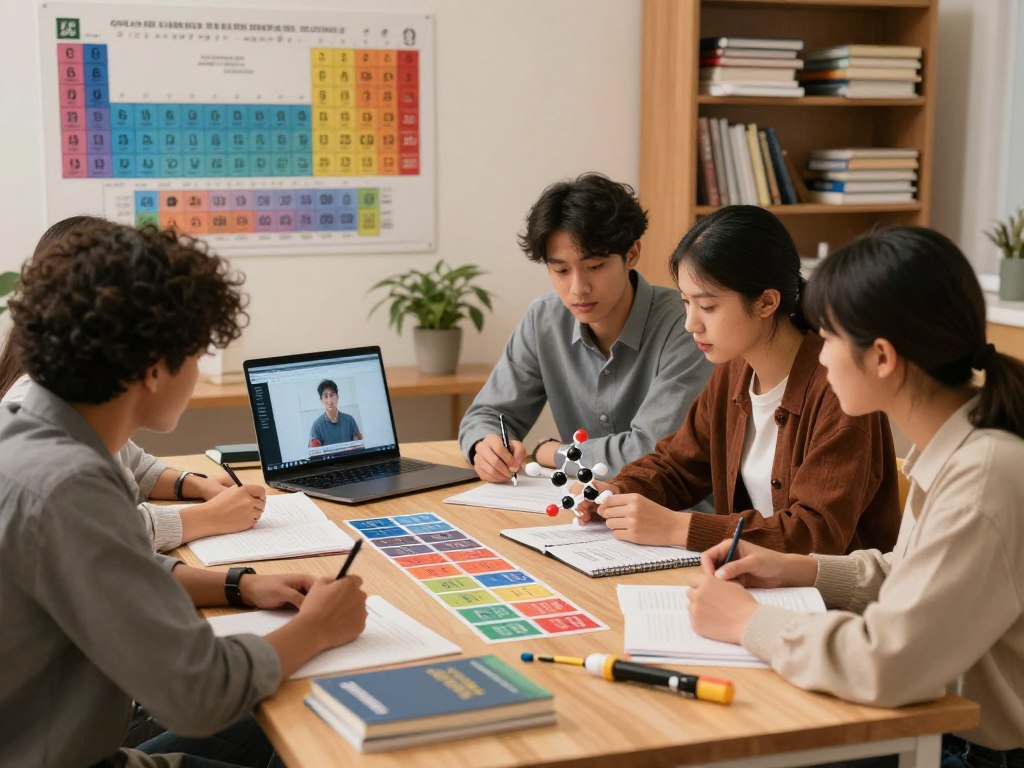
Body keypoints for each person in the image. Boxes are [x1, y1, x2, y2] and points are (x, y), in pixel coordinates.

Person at [0, 220, 368, 767]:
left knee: (287, 707)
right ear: (153, 368)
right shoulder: (70, 485)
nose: (197, 372)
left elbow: (117, 580)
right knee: (312, 712)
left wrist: (240, 587)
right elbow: (199, 694)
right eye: (195, 353)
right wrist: (316, 627)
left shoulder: (33, 427)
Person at [687, 226, 1024, 768]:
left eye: (832, 338)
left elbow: (888, 663)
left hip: (968, 749)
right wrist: (797, 569)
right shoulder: (961, 448)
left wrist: (747, 622)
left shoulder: (983, 477)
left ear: (883, 358)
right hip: (939, 726)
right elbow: (909, 574)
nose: (820, 358)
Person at [579, 205, 901, 555]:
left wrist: (678, 527)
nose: (691, 324)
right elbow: (677, 466)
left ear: (766, 302)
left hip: (826, 601)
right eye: (686, 302)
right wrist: (618, 491)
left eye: (708, 307)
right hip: (753, 583)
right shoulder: (734, 371)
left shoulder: (840, 390)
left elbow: (814, 533)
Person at [0, 215, 266, 553]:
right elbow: (115, 538)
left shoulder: (74, 404)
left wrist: (198, 485)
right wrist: (211, 517)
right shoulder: (66, 475)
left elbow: (134, 466)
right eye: (195, 354)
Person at [459, 172, 712, 483]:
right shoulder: (545, 320)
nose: (578, 288)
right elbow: (487, 415)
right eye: (561, 270)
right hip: (582, 514)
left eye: (594, 267)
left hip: (673, 516)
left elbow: (652, 452)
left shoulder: (685, 323)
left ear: (631, 254)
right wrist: (484, 447)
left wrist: (550, 452)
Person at [309, 377, 362, 447]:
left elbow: (359, 445)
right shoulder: (317, 426)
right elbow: (314, 453)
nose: (330, 401)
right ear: (321, 399)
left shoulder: (349, 420)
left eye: (332, 395)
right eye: (326, 396)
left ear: (337, 397)